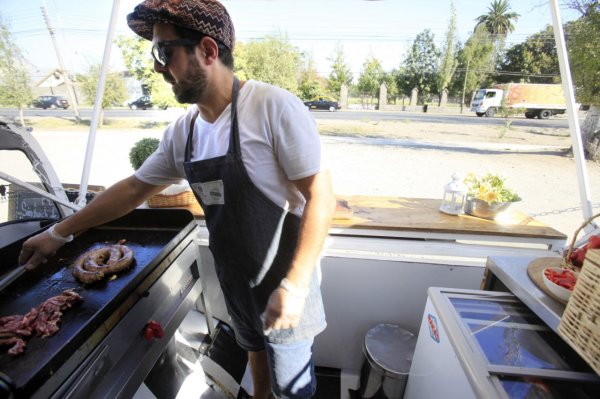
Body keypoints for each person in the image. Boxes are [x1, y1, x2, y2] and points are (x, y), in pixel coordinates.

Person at [18, 0, 336, 398]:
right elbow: (134, 189)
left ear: (207, 50)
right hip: (238, 284)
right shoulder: (183, 134)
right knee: (255, 363)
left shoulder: (271, 107)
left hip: (289, 287)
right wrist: (59, 233)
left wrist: (295, 287)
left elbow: (321, 197)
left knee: (293, 390)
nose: (156, 67)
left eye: (163, 51)